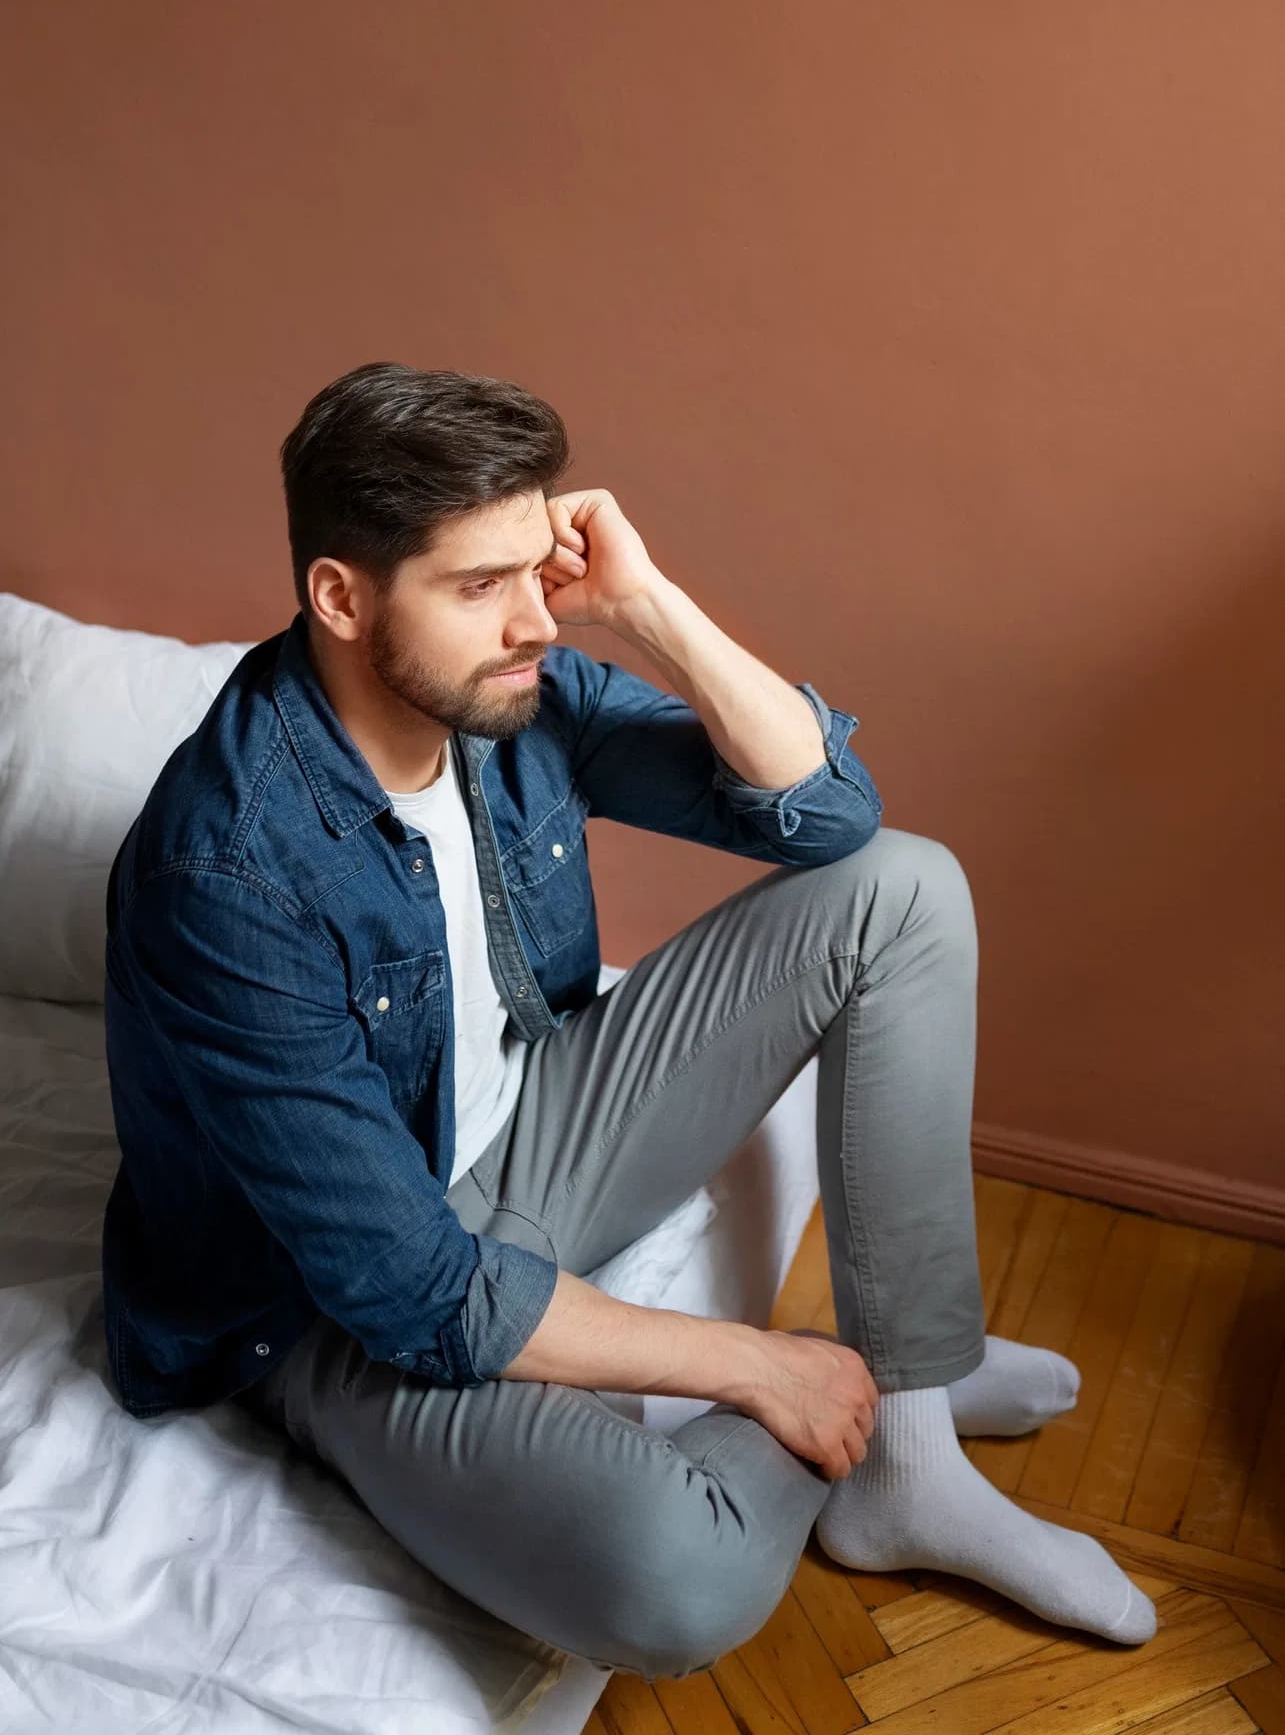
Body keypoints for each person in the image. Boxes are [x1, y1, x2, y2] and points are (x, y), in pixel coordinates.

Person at [100, 361, 1156, 1681]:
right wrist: (753, 1367)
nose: (530, 622)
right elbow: (414, 1292)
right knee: (677, 1580)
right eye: (476, 588)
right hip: (323, 1301)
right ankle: (873, 1375)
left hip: (526, 1134)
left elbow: (830, 816)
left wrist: (645, 604)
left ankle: (912, 1453)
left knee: (902, 892)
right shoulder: (226, 874)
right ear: (340, 596)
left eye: (533, 569)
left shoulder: (508, 699)